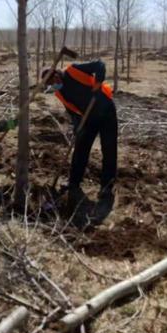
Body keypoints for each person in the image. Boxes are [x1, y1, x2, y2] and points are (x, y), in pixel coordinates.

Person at [42, 59, 118, 222]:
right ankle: (74, 183)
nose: (53, 87)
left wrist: (97, 83)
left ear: (56, 75)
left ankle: (106, 187)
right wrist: (78, 126)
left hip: (106, 112)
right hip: (87, 118)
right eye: (50, 86)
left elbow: (100, 65)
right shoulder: (59, 92)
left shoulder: (74, 70)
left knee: (109, 149)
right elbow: (71, 109)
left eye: (52, 83)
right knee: (80, 149)